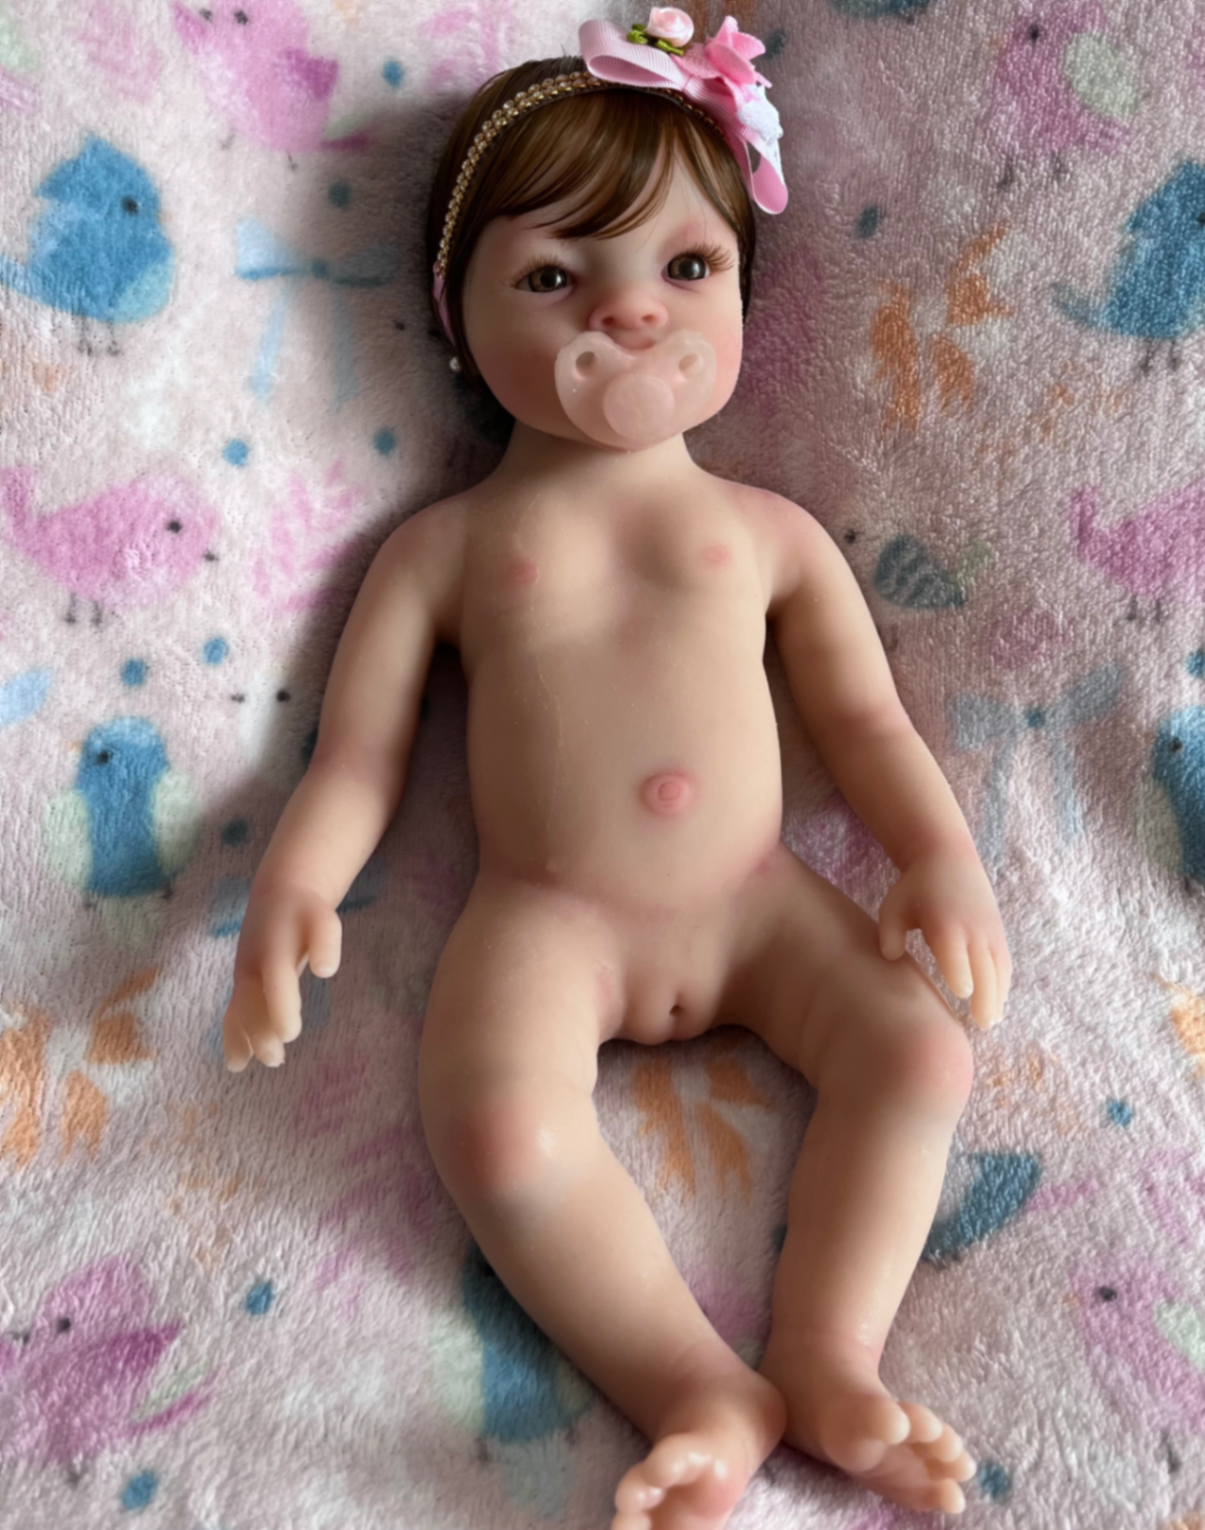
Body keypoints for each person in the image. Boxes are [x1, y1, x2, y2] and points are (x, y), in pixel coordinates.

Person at [221, 12, 1011, 1524]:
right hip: (548, 919)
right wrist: (294, 886)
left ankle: (828, 1353)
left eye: (688, 267)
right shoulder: (443, 550)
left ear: (744, 294)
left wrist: (940, 858)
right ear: (457, 318)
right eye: (552, 278)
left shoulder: (768, 535)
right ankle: (694, 1389)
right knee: (498, 1128)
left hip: (758, 900)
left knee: (921, 1053)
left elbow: (868, 726)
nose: (631, 314)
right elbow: (358, 756)